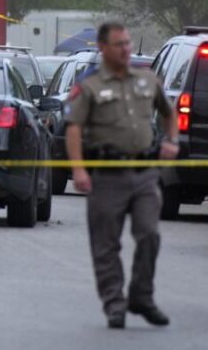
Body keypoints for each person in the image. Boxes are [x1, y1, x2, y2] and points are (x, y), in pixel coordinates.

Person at [64, 21, 178, 330]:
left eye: (127, 43)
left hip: (144, 175)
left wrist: (171, 141)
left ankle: (141, 296)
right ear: (102, 48)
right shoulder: (89, 86)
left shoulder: (147, 80)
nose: (126, 49)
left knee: (149, 235)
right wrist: (79, 169)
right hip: (106, 176)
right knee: (106, 245)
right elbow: (73, 128)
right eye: (119, 44)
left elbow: (170, 114)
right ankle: (114, 304)